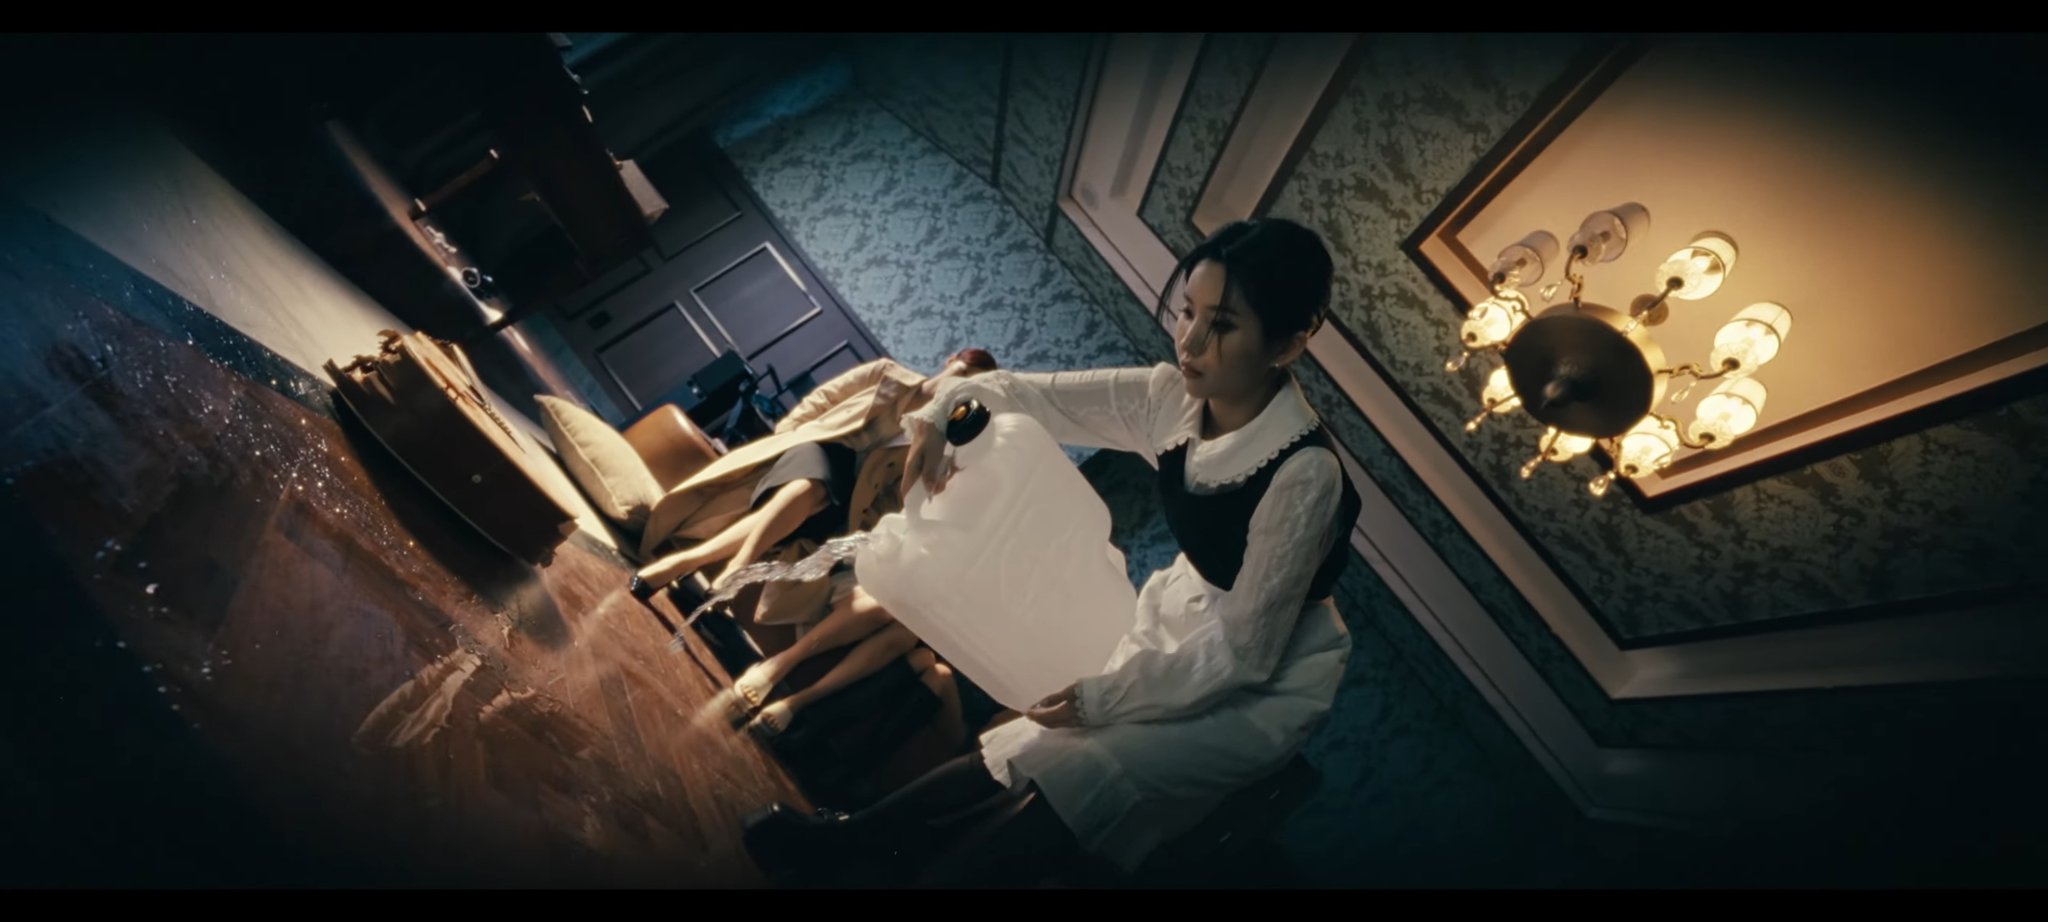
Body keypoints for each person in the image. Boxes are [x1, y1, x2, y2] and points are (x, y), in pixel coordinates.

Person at [740, 217, 1361, 887]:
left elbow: (1245, 653)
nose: (1189, 341)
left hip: (1265, 678)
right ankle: (845, 842)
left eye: (1224, 325)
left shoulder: (1305, 475)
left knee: (1093, 766)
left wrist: (1106, 697)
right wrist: (942, 418)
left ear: (1287, 343)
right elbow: (1023, 393)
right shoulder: (1167, 399)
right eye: (1188, 311)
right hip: (1186, 617)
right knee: (1037, 739)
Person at [628, 349, 999, 605]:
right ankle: (727, 566)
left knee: (817, 493)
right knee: (815, 484)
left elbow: (891, 499)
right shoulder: (886, 373)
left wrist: (864, 527)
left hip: (843, 498)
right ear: (950, 361)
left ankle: (691, 562)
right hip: (814, 448)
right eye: (961, 374)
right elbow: (823, 399)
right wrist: (786, 436)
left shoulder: (931, 444)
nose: (955, 386)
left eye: (966, 387)